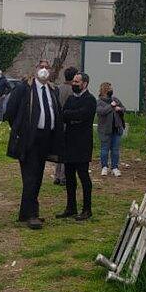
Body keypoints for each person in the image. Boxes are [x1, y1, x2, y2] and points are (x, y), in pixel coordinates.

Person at [5, 59, 63, 230]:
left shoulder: (53, 90)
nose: (44, 70)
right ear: (36, 69)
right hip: (29, 139)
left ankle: (25, 212)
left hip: (46, 138)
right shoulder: (25, 88)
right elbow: (10, 112)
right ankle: (32, 215)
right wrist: (20, 130)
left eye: (47, 67)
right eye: (41, 67)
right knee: (30, 176)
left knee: (37, 176)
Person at [57, 72, 97, 220]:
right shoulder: (71, 98)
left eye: (77, 82)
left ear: (84, 84)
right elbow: (63, 114)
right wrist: (71, 116)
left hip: (82, 144)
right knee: (69, 177)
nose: (74, 84)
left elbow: (83, 115)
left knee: (83, 176)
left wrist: (70, 115)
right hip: (69, 143)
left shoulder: (90, 100)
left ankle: (87, 209)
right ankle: (71, 207)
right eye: (73, 81)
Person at [55, 66, 78, 186]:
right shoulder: (73, 91)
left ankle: (57, 176)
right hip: (68, 123)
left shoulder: (58, 88)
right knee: (67, 152)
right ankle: (64, 176)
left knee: (59, 151)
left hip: (58, 123)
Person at [96, 82, 125, 177]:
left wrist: (119, 108)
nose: (111, 90)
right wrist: (111, 106)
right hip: (105, 130)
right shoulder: (99, 101)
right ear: (105, 90)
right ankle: (104, 167)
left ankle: (114, 167)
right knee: (104, 149)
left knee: (115, 150)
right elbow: (101, 112)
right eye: (109, 89)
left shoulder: (115, 99)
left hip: (116, 129)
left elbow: (123, 108)